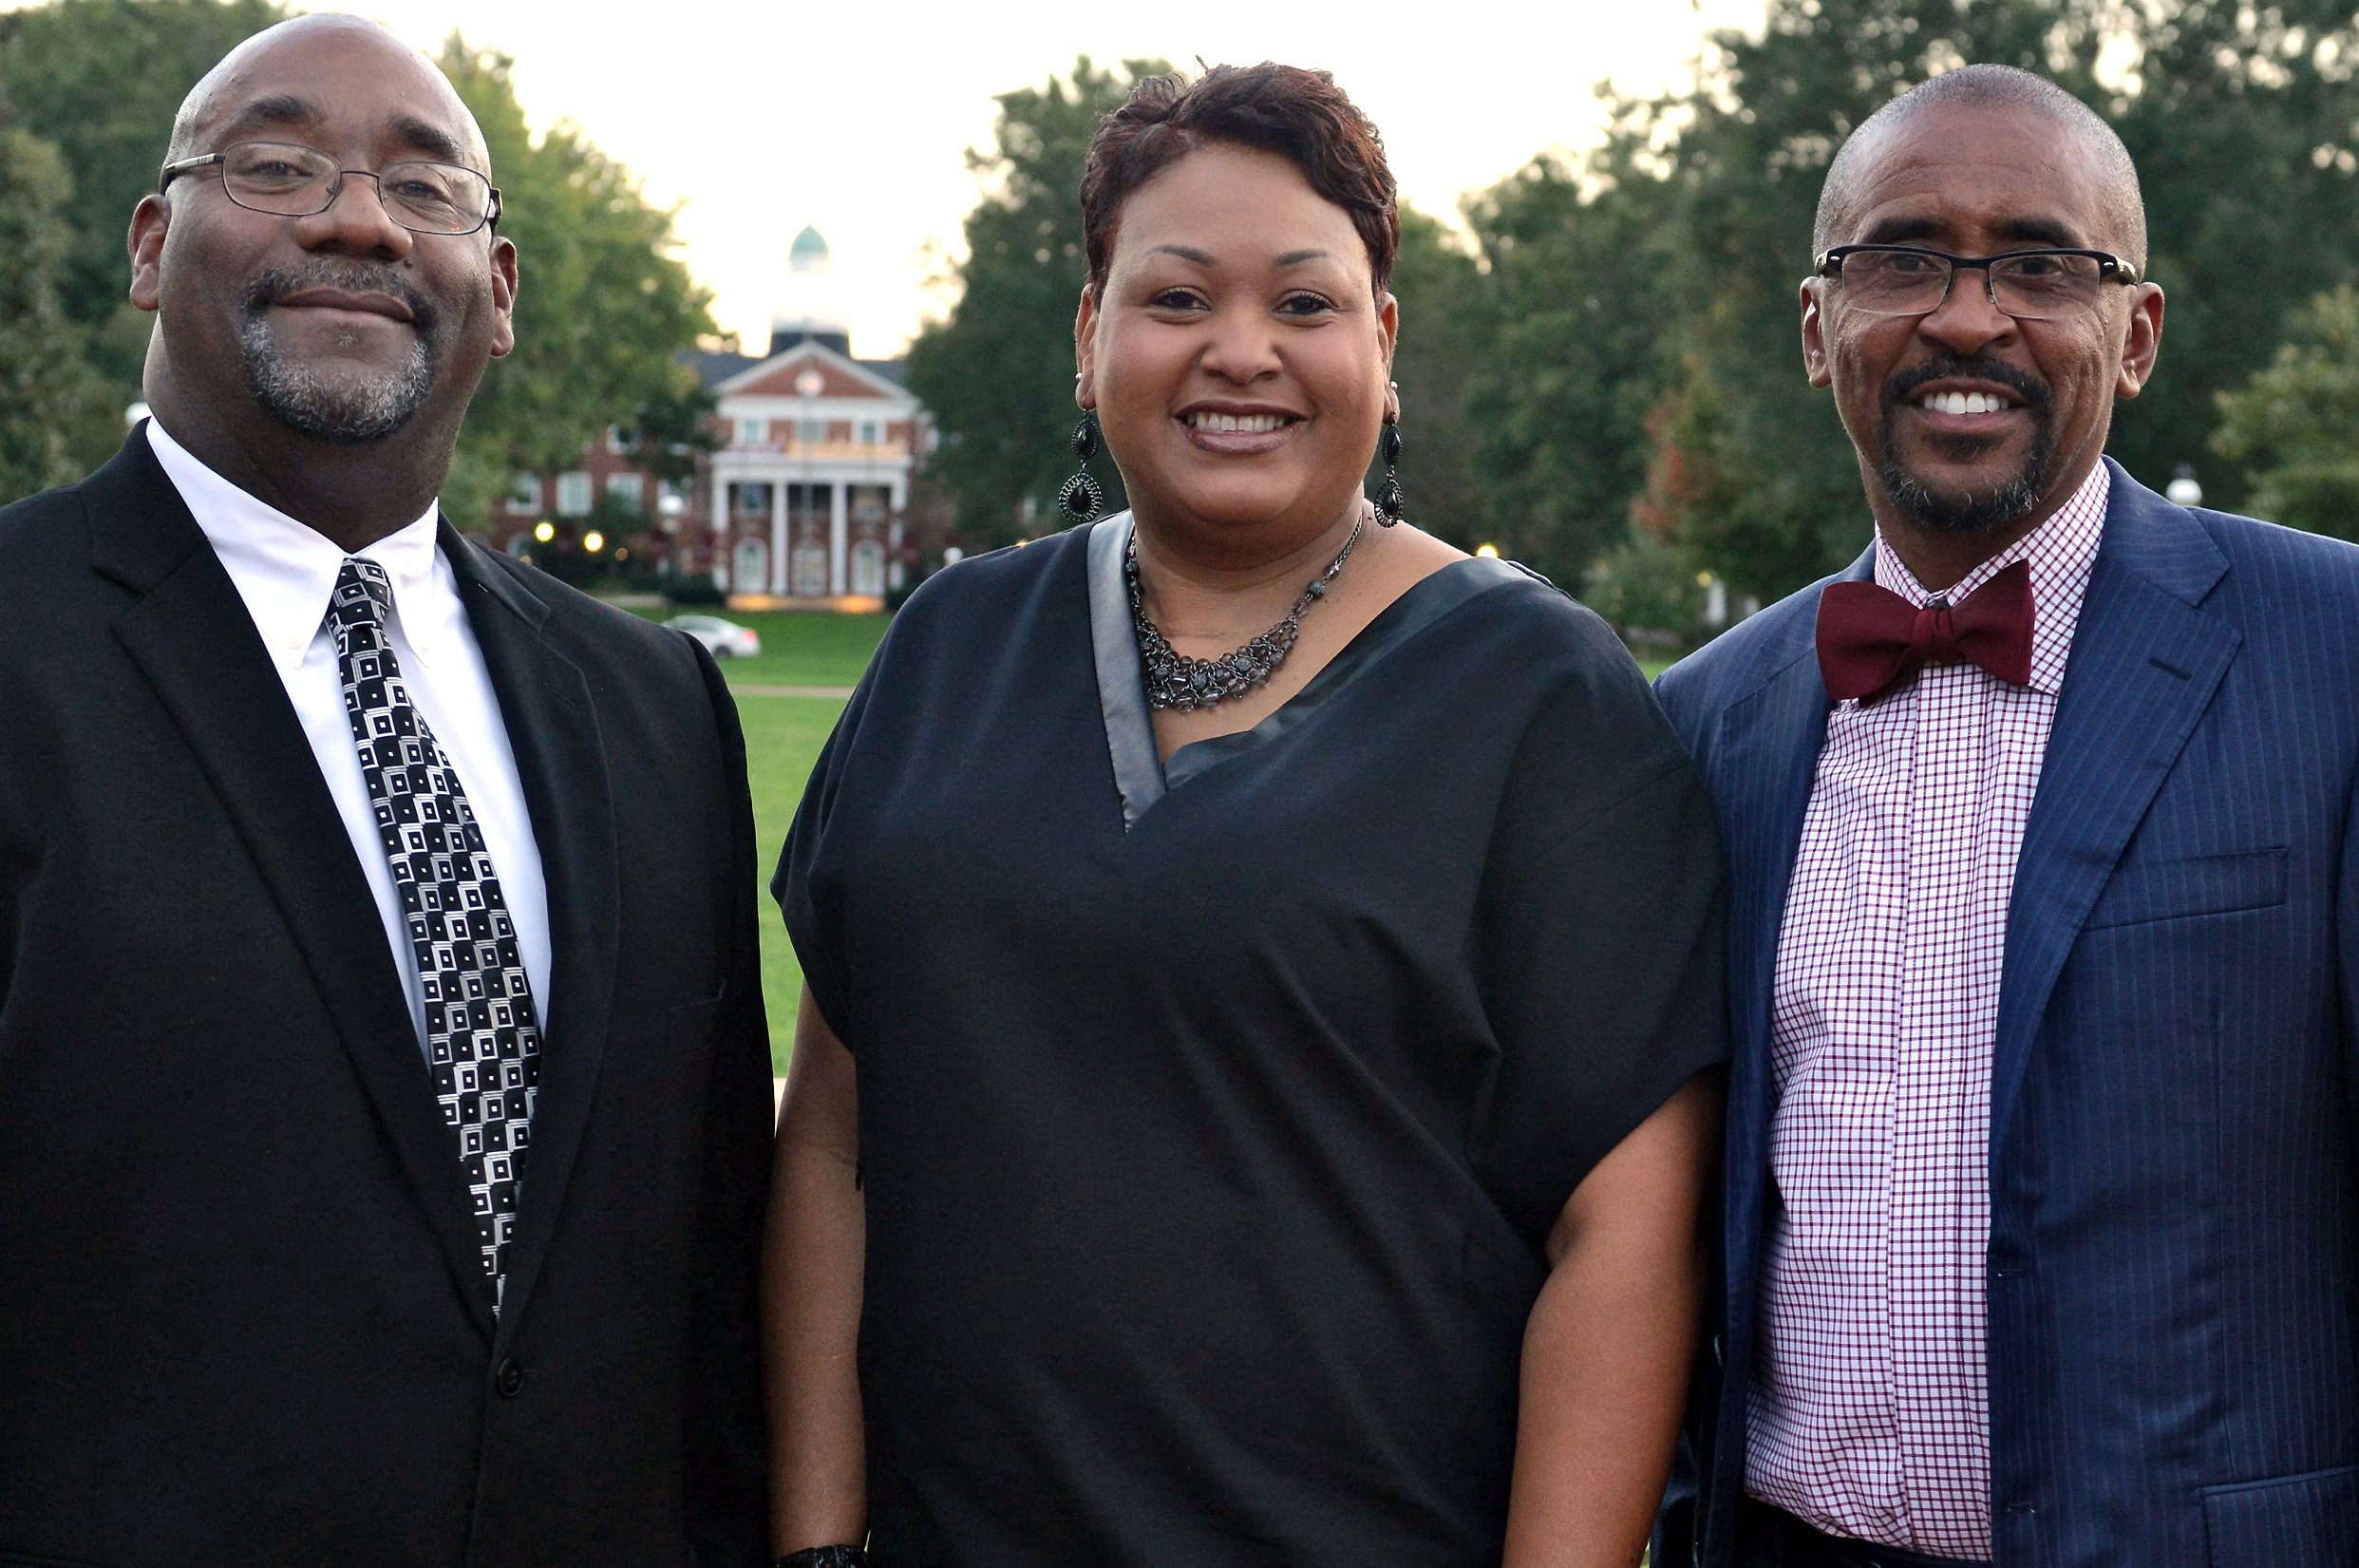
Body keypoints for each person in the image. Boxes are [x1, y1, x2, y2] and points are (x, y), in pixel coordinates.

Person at [765, 63, 1727, 1568]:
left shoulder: (1539, 696)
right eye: (1175, 300)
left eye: (1303, 303)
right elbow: (829, 1143)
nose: (1240, 353)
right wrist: (819, 1538)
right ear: (1089, 337)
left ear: (1383, 344)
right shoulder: (949, 648)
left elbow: (1625, 1238)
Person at [0, 16, 773, 1564]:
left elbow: (708, 1268)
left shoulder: (654, 708)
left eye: (428, 190)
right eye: (275, 164)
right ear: (153, 244)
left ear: (497, 296)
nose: (356, 216)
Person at [1653, 63, 2359, 1568]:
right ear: (1815, 325)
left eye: (2043, 265)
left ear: (2139, 330)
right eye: (1901, 257)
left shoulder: (2337, 656)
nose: (1968, 317)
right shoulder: (1700, 725)